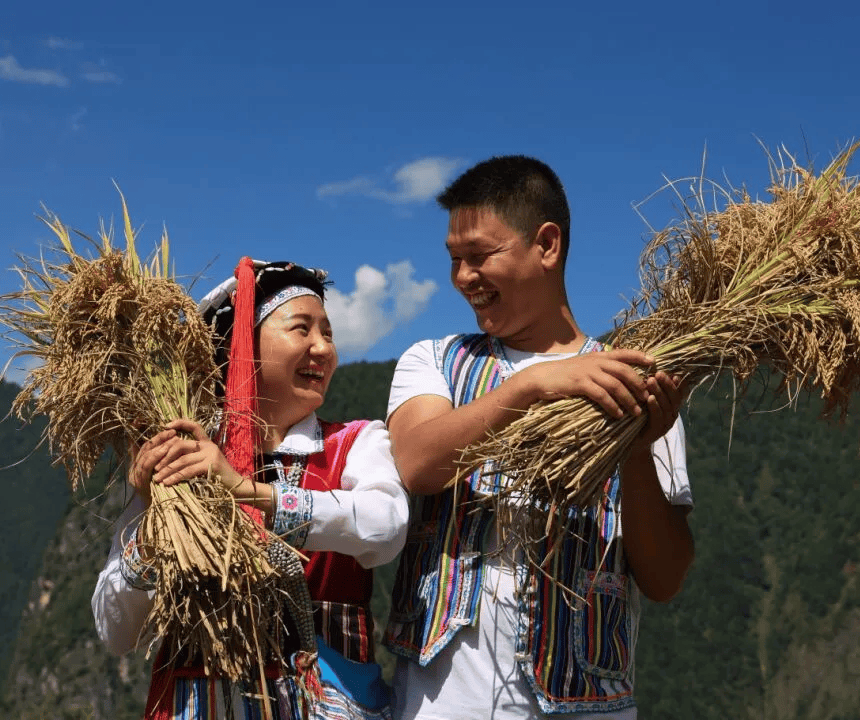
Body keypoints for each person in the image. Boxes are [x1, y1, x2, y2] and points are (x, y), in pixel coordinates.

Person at [383, 156, 694, 719]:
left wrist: (636, 445)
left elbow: (665, 576)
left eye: (479, 256)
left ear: (546, 245)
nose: (462, 278)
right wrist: (526, 389)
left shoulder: (632, 381)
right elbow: (413, 462)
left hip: (586, 704)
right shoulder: (432, 362)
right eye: (454, 260)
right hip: (443, 702)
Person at [92, 258, 409, 720]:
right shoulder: (182, 463)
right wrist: (153, 519)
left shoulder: (353, 443)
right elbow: (114, 633)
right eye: (302, 329)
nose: (323, 347)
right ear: (241, 349)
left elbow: (387, 527)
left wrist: (248, 490)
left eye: (329, 332)